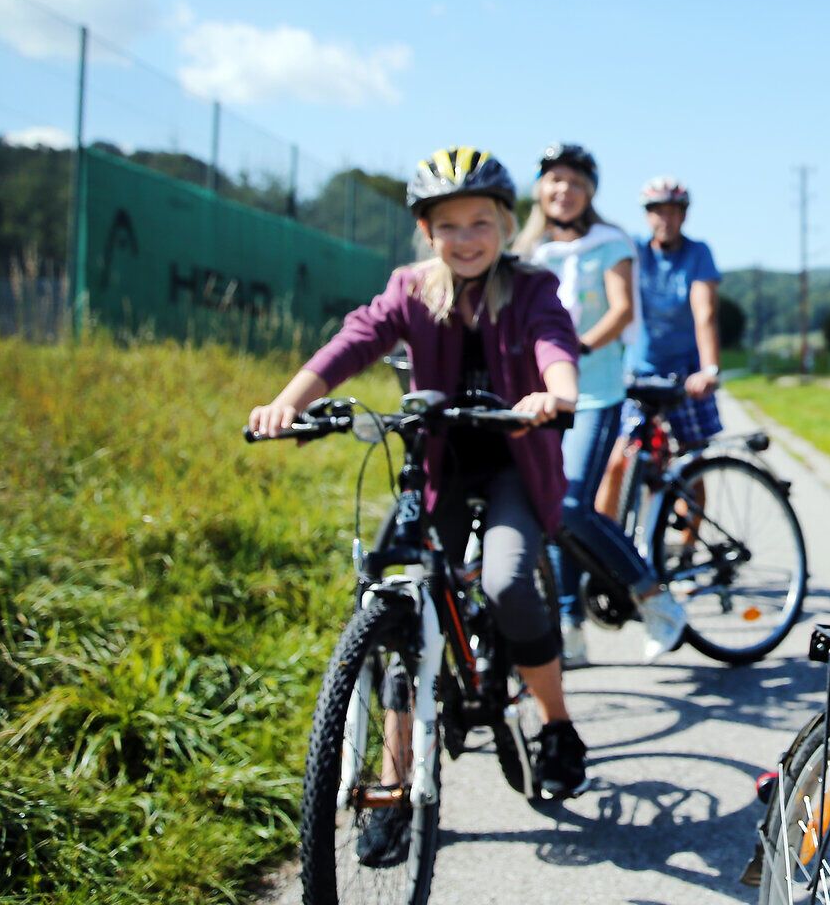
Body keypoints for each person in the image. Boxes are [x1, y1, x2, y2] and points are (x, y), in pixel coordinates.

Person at [248, 146, 595, 840]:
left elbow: (556, 344)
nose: (465, 240)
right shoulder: (410, 288)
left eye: (479, 223)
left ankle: (556, 724)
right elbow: (355, 341)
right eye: (448, 227)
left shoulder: (529, 289)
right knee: (391, 599)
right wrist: (289, 402)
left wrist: (555, 396)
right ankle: (392, 781)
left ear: (504, 222)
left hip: (511, 459)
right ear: (427, 233)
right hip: (436, 461)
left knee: (506, 581)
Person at [515, 142, 687, 665]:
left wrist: (573, 348)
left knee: (570, 503)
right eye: (552, 181)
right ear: (539, 190)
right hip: (540, 399)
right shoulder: (529, 253)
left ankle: (654, 598)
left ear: (589, 191)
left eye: (573, 181)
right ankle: (568, 626)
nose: (561, 190)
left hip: (595, 391)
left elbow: (621, 310)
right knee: (548, 509)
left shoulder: (610, 243)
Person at [594, 175, 725, 519]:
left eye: (672, 211)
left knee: (692, 463)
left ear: (684, 215)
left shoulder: (697, 254)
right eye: (656, 211)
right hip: (641, 371)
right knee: (618, 461)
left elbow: (704, 312)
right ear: (647, 216)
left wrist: (709, 369)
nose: (664, 219)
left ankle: (687, 546)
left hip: (687, 373)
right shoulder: (634, 251)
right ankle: (601, 551)